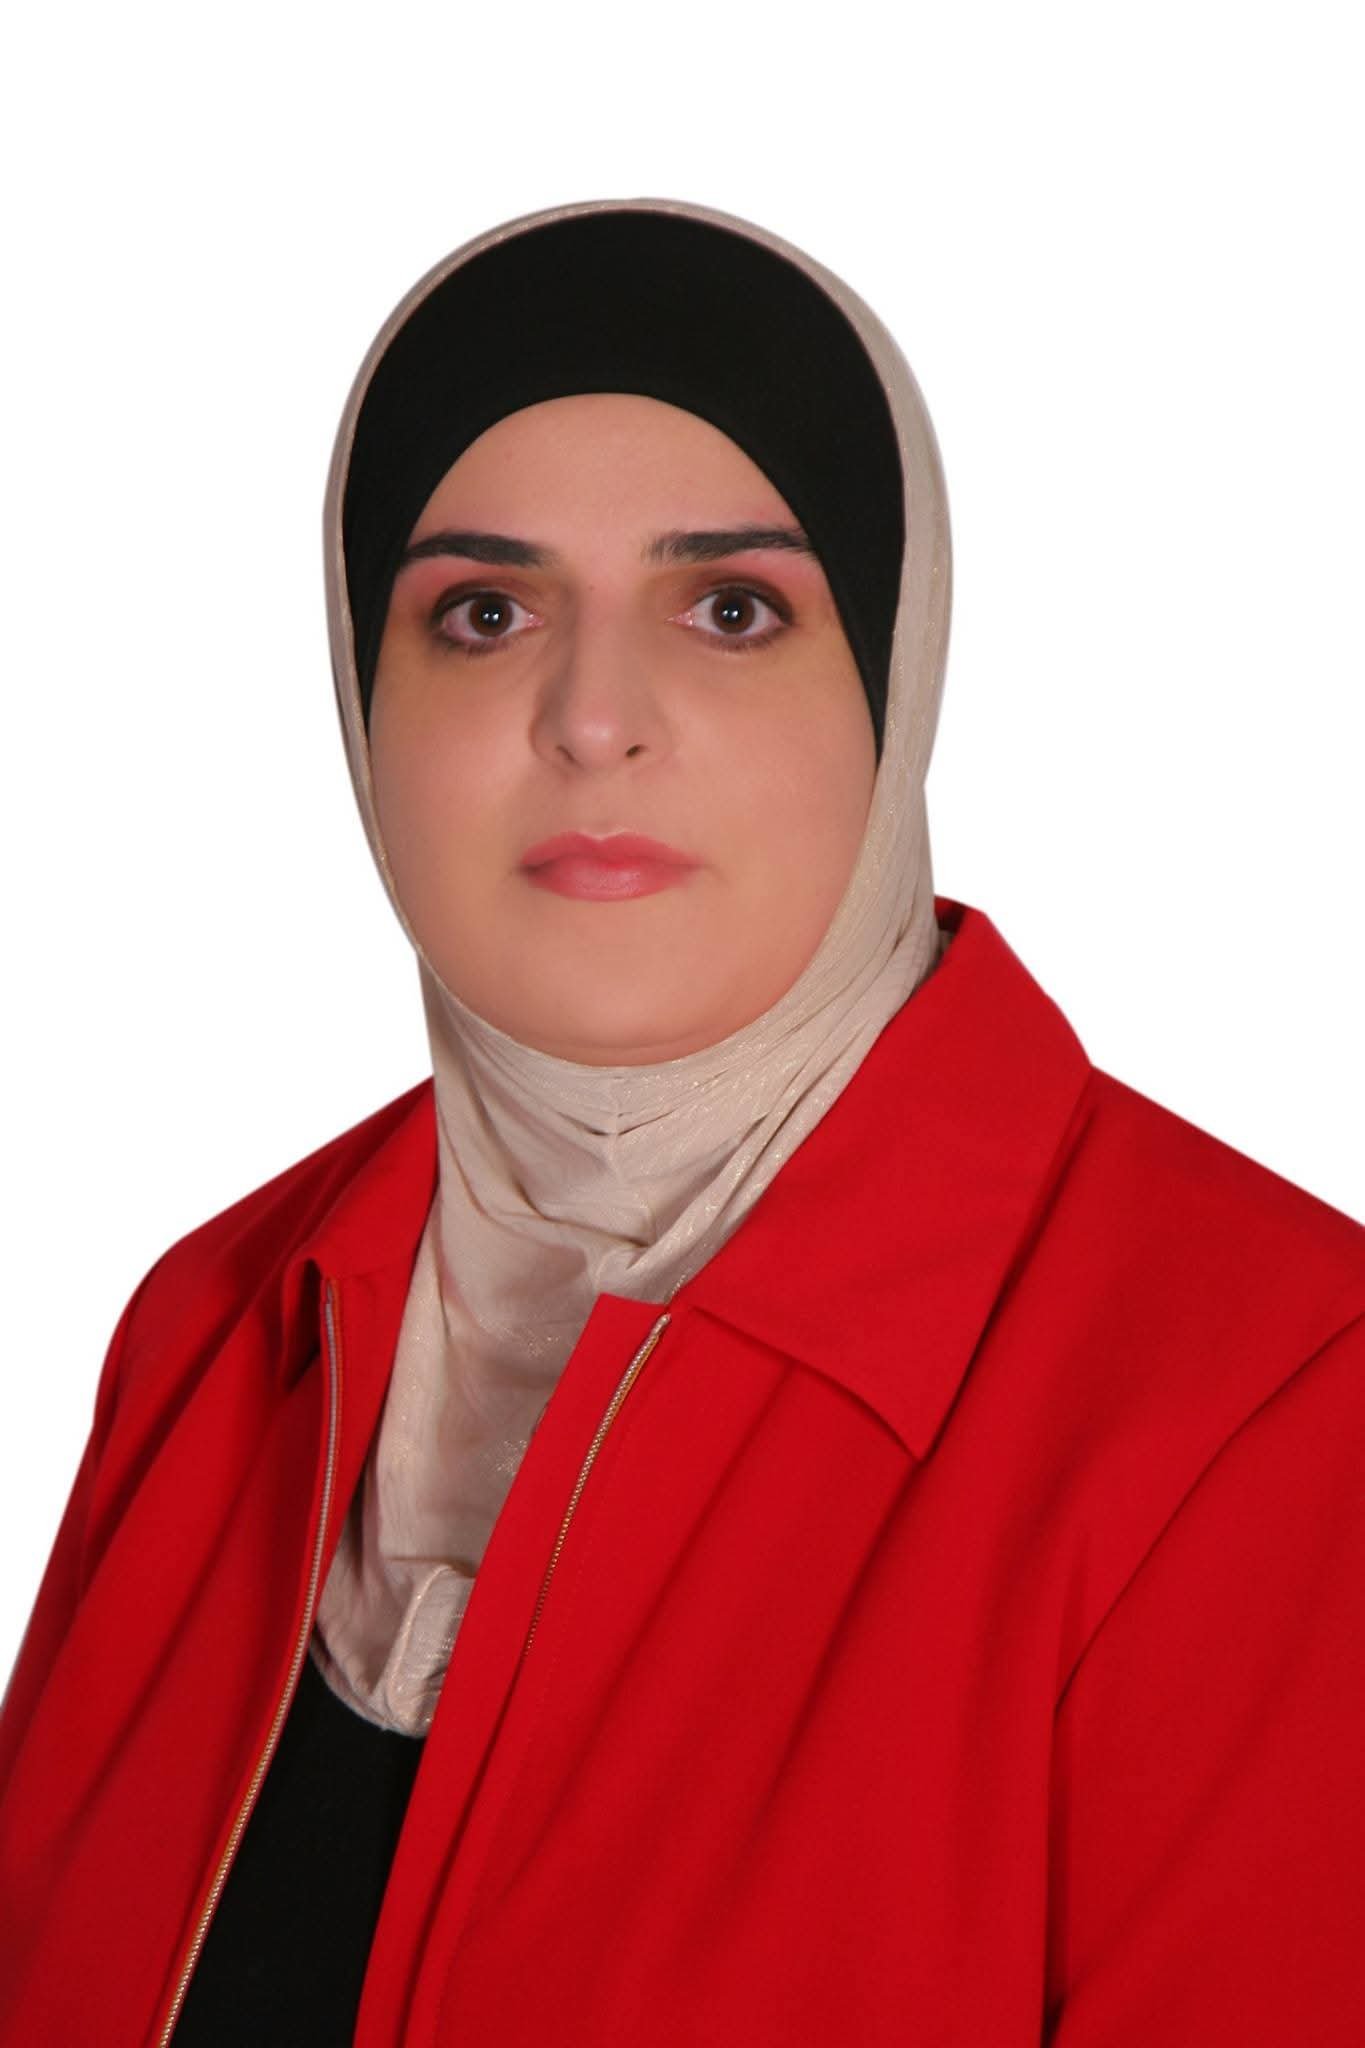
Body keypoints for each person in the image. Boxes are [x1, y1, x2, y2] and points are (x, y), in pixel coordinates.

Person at [1, 197, 1362, 2046]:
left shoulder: (1275, 1400)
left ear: (892, 678)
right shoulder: (220, 1328)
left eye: (730, 609)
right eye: (482, 613)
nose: (591, 719)